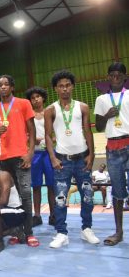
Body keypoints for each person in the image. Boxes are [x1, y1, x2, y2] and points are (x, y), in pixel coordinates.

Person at [45, 70, 98, 248]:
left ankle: (87, 229)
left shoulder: (82, 107)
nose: (65, 88)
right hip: (62, 159)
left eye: (68, 85)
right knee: (60, 197)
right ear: (56, 89)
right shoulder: (50, 110)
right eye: (61, 86)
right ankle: (61, 233)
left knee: (88, 196)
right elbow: (47, 135)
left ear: (73, 86)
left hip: (82, 158)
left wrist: (92, 154)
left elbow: (87, 131)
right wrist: (52, 157)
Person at [0, 75, 39, 247]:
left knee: (25, 195)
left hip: (21, 156)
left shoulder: (24, 103)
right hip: (4, 158)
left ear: (12, 87)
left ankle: (29, 232)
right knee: (12, 197)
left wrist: (30, 153)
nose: (3, 87)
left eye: (6, 84)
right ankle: (18, 232)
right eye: (0, 85)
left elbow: (32, 130)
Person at [94, 62, 129, 246]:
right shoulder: (102, 99)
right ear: (108, 77)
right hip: (113, 147)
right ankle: (119, 232)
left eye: (119, 74)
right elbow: (99, 126)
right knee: (117, 191)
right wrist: (107, 115)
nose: (115, 76)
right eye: (112, 74)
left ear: (125, 77)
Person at [25, 87, 56, 227]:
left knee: (51, 185)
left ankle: (53, 214)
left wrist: (55, 138)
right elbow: (24, 134)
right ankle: (37, 215)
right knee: (36, 186)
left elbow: (58, 130)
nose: (35, 99)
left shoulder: (50, 113)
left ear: (43, 98)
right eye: (32, 97)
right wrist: (30, 139)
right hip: (35, 153)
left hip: (49, 154)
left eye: (38, 96)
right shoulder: (28, 115)